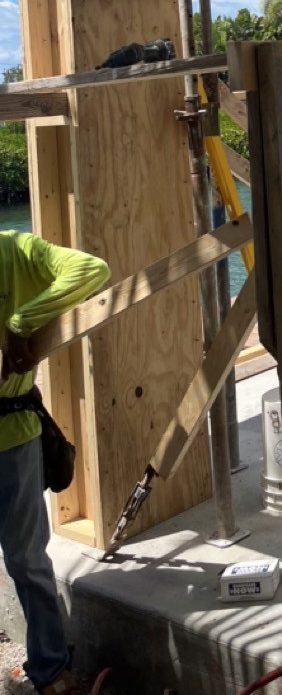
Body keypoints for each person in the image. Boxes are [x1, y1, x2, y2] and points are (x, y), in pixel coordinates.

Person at [0, 234, 110, 695]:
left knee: (28, 560)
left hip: (13, 435)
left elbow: (92, 270)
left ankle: (50, 670)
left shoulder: (18, 252)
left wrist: (22, 323)